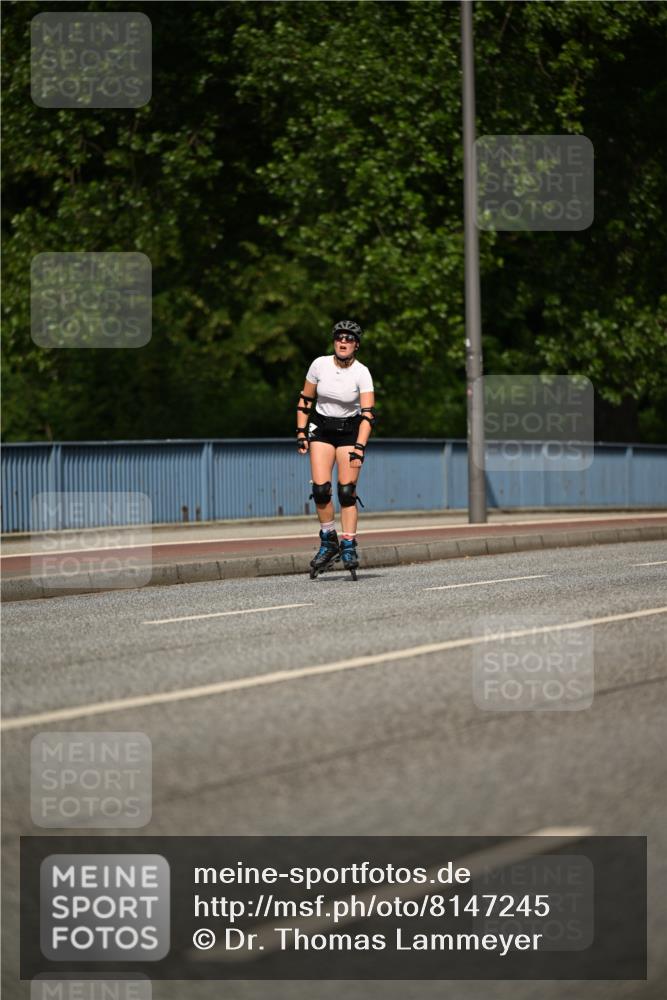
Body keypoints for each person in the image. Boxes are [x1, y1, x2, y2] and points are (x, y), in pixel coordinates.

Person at [296, 320, 376, 576]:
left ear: (356, 345)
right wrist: (301, 432)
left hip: (350, 431)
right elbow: (306, 399)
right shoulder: (319, 365)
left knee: (346, 492)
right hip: (321, 429)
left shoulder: (362, 372)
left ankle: (349, 544)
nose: (343, 342)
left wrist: (360, 447)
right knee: (321, 490)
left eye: (349, 338)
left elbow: (367, 414)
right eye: (339, 337)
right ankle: (329, 540)